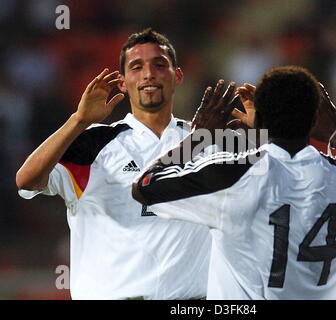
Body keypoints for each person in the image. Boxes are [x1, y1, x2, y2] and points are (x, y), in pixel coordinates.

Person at [132, 66, 336, 299]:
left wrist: (198, 139)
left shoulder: (231, 177)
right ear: (314, 118)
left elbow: (145, 185)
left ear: (263, 119)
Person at [16, 28, 211, 300]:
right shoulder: (94, 142)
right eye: (136, 66)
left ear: (177, 76)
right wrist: (78, 121)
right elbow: (27, 181)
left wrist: (260, 129)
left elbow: (273, 186)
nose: (148, 74)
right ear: (122, 82)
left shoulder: (206, 143)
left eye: (159, 65)